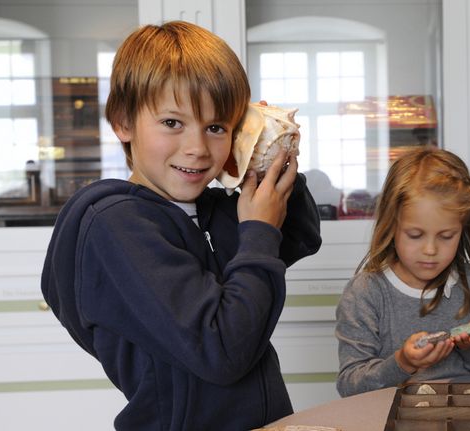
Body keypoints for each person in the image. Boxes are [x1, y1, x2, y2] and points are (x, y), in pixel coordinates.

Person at [40, 21, 321, 430]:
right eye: (173, 123)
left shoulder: (207, 207)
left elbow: (298, 237)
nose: (197, 147)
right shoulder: (117, 225)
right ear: (123, 121)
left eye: (217, 127)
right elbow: (221, 351)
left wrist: (263, 155)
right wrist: (258, 231)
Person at [335, 146, 470, 397]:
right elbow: (350, 385)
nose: (430, 250)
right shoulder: (365, 293)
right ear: (391, 225)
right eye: (415, 235)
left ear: (463, 229)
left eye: (446, 236)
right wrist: (402, 363)